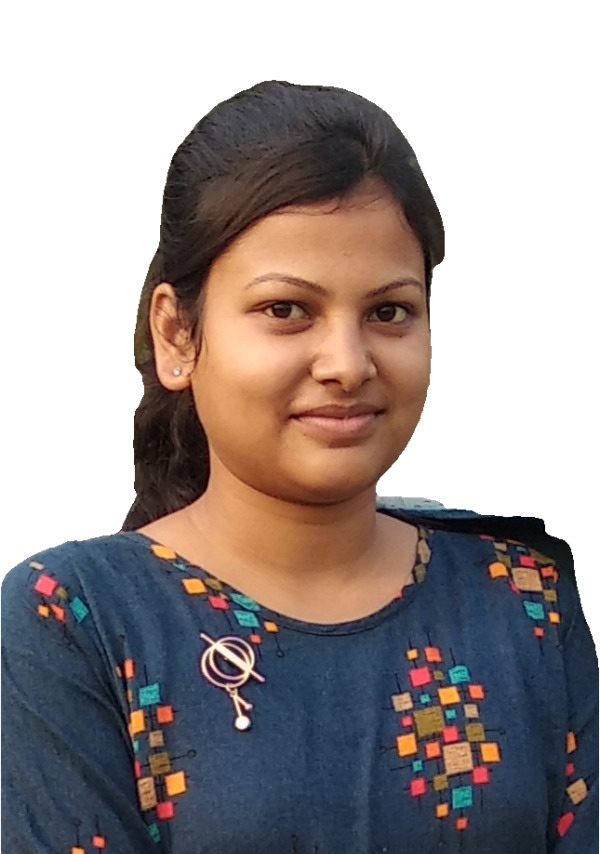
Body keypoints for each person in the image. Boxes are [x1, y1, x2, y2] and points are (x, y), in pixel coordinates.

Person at [1, 80, 597, 854]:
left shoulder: (522, 600)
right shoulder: (75, 619)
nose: (347, 363)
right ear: (178, 335)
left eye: (389, 312)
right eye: (286, 310)